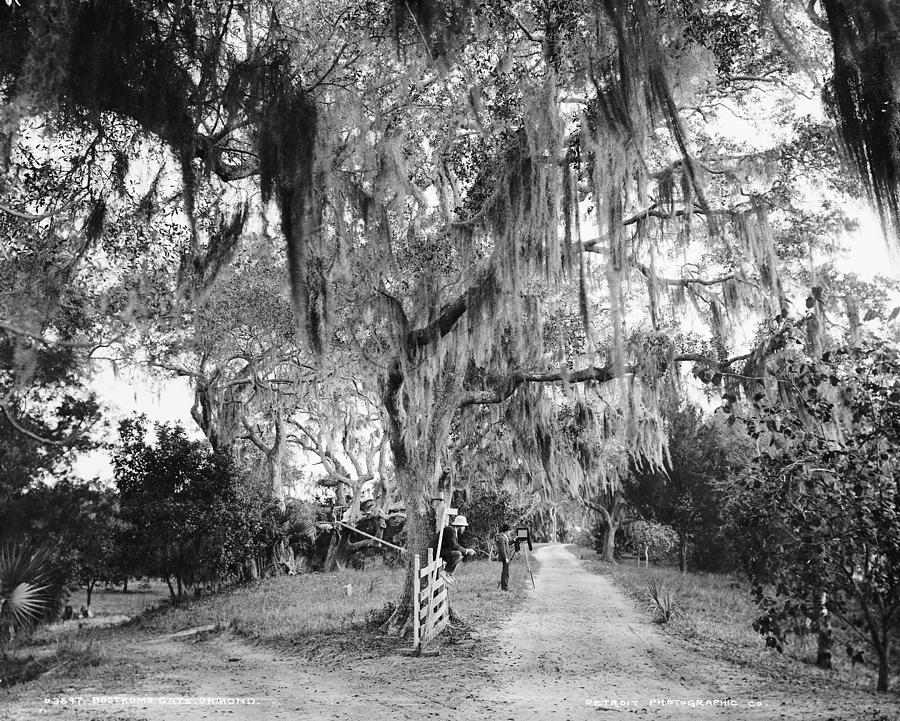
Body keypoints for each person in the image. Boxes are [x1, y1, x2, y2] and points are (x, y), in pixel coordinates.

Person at [431, 514, 475, 584]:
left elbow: (453, 545)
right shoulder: (450, 530)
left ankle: (448, 574)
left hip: (442, 551)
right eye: (464, 526)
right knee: (458, 554)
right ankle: (445, 572)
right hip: (437, 552)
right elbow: (454, 546)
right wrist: (467, 550)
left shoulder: (453, 530)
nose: (464, 528)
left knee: (459, 554)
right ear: (461, 526)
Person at [495, 523, 512, 591]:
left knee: (506, 572)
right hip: (505, 557)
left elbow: (506, 546)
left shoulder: (504, 537)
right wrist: (505, 558)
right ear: (507, 531)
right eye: (509, 531)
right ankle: (504, 587)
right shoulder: (502, 538)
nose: (510, 532)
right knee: (505, 572)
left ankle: (505, 585)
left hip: (507, 557)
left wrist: (513, 541)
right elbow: (502, 549)